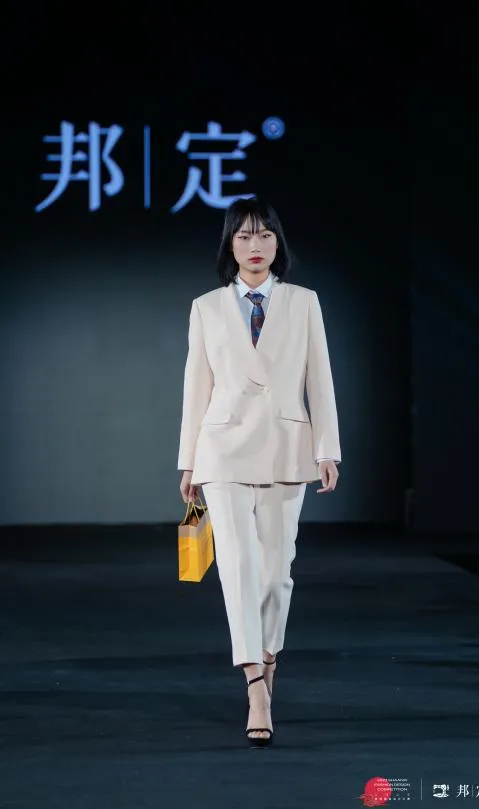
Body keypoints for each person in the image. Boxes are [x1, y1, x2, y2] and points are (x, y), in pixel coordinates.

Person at [177, 197, 341, 747]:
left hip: (286, 447)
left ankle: (268, 659)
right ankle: (255, 685)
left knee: (276, 574)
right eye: (244, 236)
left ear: (278, 243)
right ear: (230, 244)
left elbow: (320, 377)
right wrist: (188, 460)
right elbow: (196, 387)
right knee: (238, 568)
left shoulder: (303, 302)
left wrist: (327, 448)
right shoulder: (207, 307)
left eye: (265, 235)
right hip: (222, 448)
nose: (255, 246)